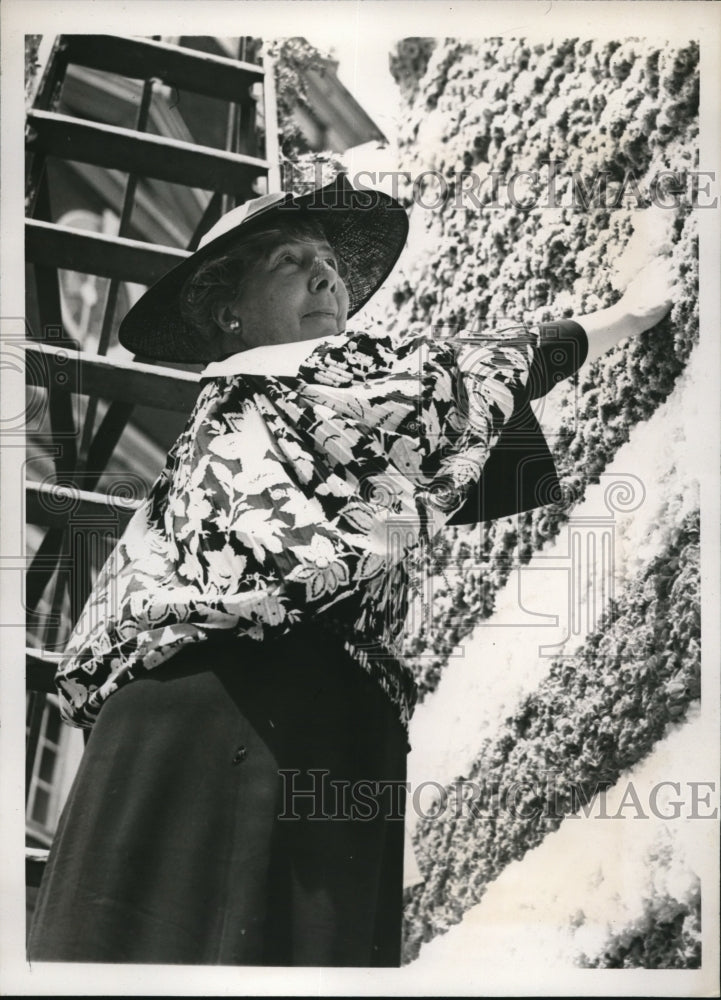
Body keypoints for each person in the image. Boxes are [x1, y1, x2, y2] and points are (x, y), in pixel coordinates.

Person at [27, 174, 672, 967]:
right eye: (293, 261)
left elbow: (445, 418)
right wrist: (628, 313)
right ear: (228, 312)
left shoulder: (291, 409)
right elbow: (470, 374)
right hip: (223, 714)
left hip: (304, 722)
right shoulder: (286, 381)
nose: (325, 275)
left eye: (329, 260)